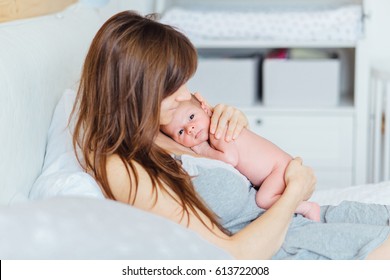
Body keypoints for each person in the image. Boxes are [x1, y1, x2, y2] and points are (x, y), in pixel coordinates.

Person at [72, 10, 390, 259]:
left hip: (297, 222)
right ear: (134, 92)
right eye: (172, 87)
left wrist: (236, 129)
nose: (187, 92)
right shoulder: (123, 168)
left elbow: (241, 171)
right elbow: (233, 257)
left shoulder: (166, 129)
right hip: (282, 247)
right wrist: (295, 189)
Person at [160, 95, 321, 221]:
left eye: (191, 117)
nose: (190, 129)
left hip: (278, 169)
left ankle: (306, 208)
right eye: (180, 131)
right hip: (279, 167)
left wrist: (202, 149)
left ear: (205, 108)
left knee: (264, 200)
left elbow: (230, 159)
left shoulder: (217, 132)